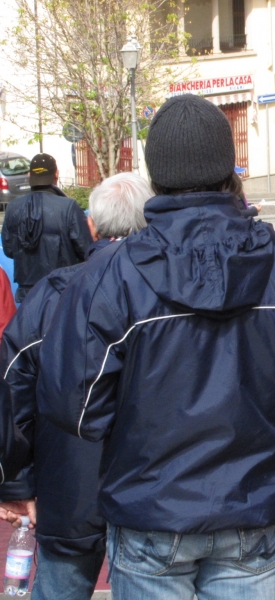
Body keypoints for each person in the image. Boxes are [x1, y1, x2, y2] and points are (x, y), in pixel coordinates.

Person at [36, 94, 275, 600]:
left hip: (154, 509)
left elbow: (74, 405)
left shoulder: (109, 277)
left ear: (154, 174)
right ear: (228, 167)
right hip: (245, 504)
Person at [0, 173, 152, 600]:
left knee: (61, 584)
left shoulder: (56, 291)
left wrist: (16, 482)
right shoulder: (167, 288)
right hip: (153, 486)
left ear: (92, 225)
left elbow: (14, 387)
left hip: (69, 479)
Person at [1, 153, 93, 302]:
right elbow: (86, 249)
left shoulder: (13, 207)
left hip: (27, 294)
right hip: (61, 290)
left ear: (29, 175)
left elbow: (9, 250)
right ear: (56, 174)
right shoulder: (68, 207)